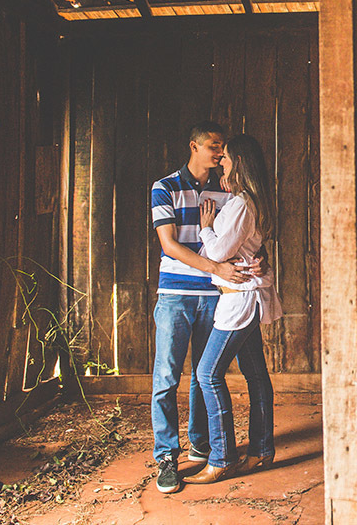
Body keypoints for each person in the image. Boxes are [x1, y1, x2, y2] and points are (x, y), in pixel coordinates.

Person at [149, 121, 257, 494]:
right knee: (166, 375)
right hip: (175, 293)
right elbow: (170, 245)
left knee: (202, 374)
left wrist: (254, 264)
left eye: (223, 147)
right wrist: (216, 267)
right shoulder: (164, 187)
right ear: (193, 146)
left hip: (216, 295)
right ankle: (166, 456)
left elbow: (237, 239)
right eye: (213, 145)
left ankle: (201, 445)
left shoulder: (226, 189)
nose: (219, 152)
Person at [184, 134, 284, 484]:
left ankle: (223, 457)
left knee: (207, 374)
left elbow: (216, 252)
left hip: (238, 300)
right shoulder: (248, 201)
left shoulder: (241, 204)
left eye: (225, 158)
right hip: (244, 297)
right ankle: (260, 451)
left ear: (238, 162)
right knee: (256, 376)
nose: (221, 163)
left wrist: (206, 228)